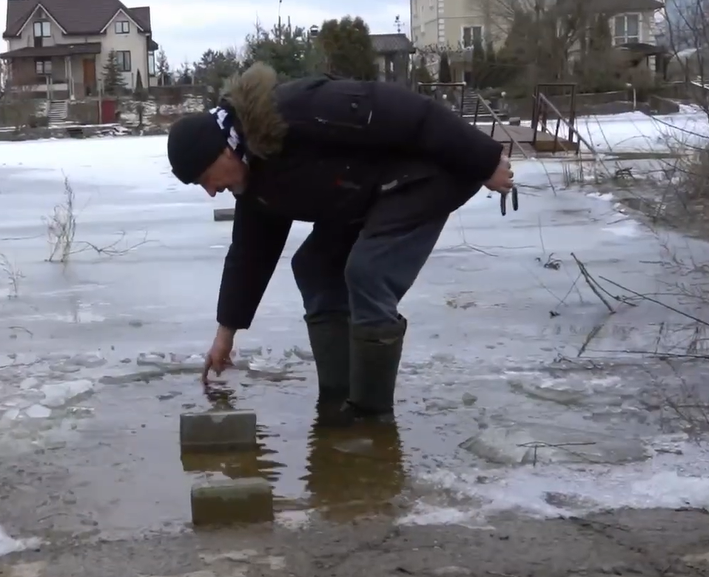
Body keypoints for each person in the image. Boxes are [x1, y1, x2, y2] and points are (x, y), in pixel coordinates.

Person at [167, 62, 514, 424]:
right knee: (314, 266)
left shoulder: (299, 110)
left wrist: (484, 160)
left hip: (430, 173)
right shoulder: (252, 175)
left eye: (205, 179)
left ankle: (371, 417)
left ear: (223, 151)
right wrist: (226, 334)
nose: (210, 192)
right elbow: (250, 255)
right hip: (368, 194)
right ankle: (338, 398)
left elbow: (409, 111)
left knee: (368, 272)